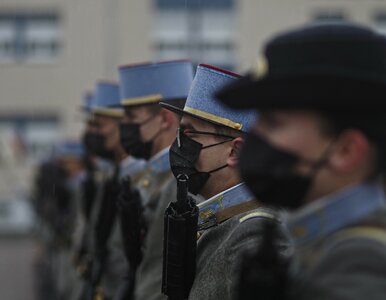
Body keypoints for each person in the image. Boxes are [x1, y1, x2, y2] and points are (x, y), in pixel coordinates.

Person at [217, 23, 386, 300]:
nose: (254, 137)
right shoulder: (324, 245)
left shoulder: (361, 264)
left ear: (345, 150)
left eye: (273, 123)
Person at [161, 63, 289, 300]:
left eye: (190, 135)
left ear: (234, 153)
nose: (179, 145)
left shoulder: (252, 232)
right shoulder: (218, 220)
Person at [117, 59, 193, 300]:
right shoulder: (144, 179)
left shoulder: (180, 184)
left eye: (131, 117)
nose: (124, 127)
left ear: (164, 119)